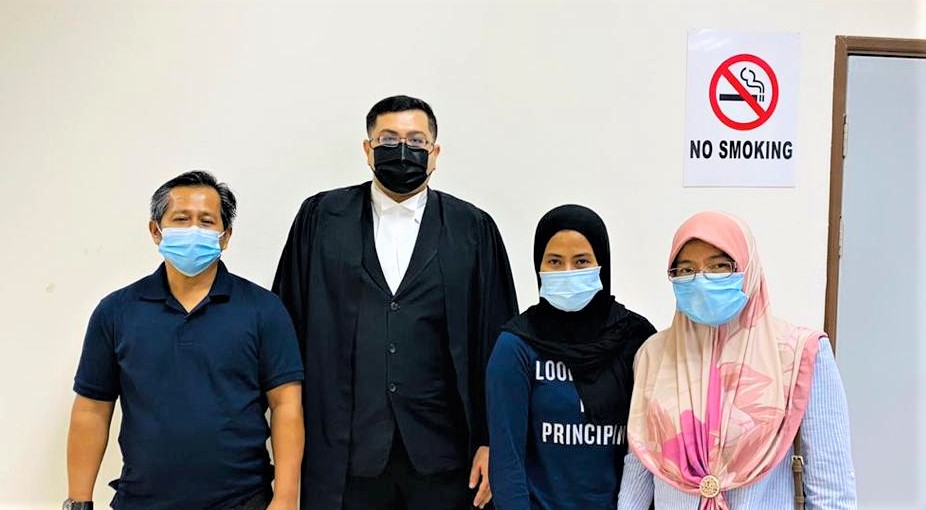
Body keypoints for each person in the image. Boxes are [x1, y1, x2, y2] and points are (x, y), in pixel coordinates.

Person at [272, 95, 518, 510]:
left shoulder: (473, 229)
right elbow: (286, 328)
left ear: (435, 153)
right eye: (388, 139)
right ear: (367, 148)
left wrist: (493, 440)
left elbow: (498, 341)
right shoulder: (320, 219)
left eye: (416, 141)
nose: (403, 150)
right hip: (344, 455)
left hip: (446, 457)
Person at [66, 171, 304, 510]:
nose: (193, 229)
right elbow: (92, 410)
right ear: (156, 231)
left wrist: (286, 499)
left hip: (242, 501)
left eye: (206, 221)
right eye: (181, 219)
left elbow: (286, 406)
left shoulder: (264, 310)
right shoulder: (116, 311)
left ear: (225, 236)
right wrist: (79, 503)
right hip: (141, 501)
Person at [618, 211, 858, 509]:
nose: (701, 279)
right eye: (686, 269)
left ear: (748, 268)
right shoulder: (653, 355)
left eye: (719, 266)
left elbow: (830, 488)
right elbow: (641, 463)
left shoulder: (799, 353)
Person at [486, 205, 657, 510]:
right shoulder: (516, 346)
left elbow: (650, 449)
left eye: (581, 261)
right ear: (538, 266)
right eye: (554, 261)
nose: (568, 271)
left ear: (601, 263)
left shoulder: (636, 338)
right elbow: (507, 460)